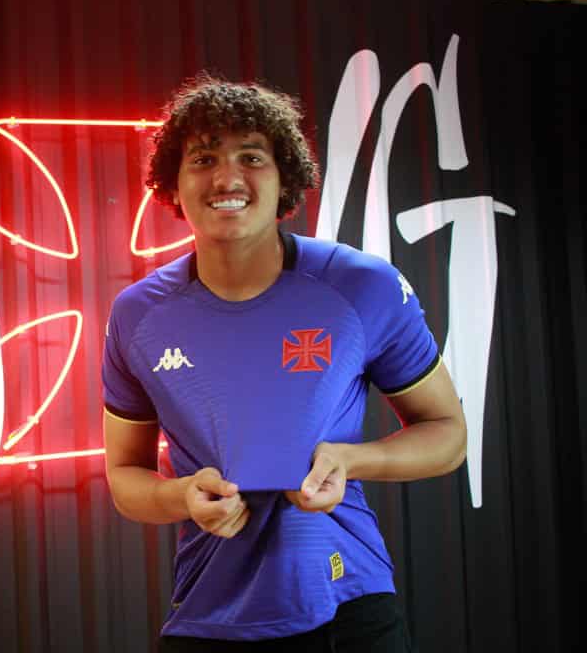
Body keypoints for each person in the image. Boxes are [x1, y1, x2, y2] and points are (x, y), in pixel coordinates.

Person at [101, 73, 467, 652]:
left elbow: (447, 434)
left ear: (285, 179)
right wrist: (182, 496)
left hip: (348, 606)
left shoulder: (361, 287)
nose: (227, 178)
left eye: (252, 157)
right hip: (207, 610)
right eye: (203, 159)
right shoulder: (138, 314)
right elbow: (125, 475)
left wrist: (350, 461)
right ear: (173, 182)